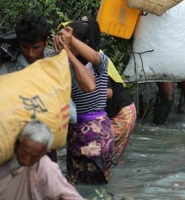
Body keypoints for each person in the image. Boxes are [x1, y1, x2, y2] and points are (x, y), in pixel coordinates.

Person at [55, 19, 114, 184]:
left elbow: (88, 85)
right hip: (75, 131)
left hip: (96, 132)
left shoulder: (100, 61)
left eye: (73, 41)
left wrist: (68, 47)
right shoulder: (64, 63)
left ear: (85, 43)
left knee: (93, 186)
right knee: (74, 183)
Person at [0, 13, 59, 162]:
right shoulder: (8, 69)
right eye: (25, 47)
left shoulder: (56, 62)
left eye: (36, 47)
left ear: (47, 41)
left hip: (49, 143)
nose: (31, 54)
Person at [0, 119, 83, 199]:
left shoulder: (46, 169)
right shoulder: (4, 156)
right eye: (24, 152)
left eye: (34, 156)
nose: (27, 160)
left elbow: (71, 196)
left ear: (43, 154)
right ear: (18, 144)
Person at [105, 72, 136, 165]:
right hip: (124, 110)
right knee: (111, 159)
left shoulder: (94, 63)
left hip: (122, 113)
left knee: (105, 158)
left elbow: (108, 92)